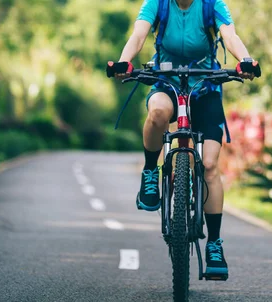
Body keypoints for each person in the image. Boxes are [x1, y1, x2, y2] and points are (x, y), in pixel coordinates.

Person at [110, 0, 259, 278]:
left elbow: (230, 35)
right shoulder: (157, 4)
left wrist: (246, 61)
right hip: (166, 81)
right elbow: (139, 34)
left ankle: (214, 242)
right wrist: (124, 61)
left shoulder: (211, 5)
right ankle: (150, 171)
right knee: (157, 113)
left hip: (205, 86)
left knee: (211, 165)